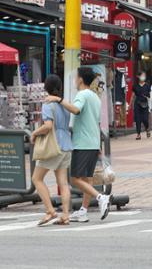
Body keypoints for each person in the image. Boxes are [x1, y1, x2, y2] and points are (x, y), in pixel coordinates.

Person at [46, 67, 112, 222]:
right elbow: (95, 122)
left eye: (76, 77)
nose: (75, 80)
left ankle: (101, 197)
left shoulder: (82, 95)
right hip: (93, 142)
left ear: (81, 79)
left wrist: (58, 100)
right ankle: (83, 211)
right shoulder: (95, 96)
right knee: (87, 178)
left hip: (82, 143)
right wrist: (98, 148)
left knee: (75, 179)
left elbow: (76, 110)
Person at [31, 74, 73, 226]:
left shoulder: (48, 103)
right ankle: (66, 215)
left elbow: (48, 126)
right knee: (63, 182)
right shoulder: (63, 103)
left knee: (36, 178)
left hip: (53, 145)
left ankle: (50, 211)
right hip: (67, 145)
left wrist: (35, 133)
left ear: (46, 88)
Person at [131, 71, 151, 140]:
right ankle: (138, 134)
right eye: (142, 75)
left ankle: (147, 129)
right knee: (138, 119)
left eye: (144, 76)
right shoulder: (135, 85)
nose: (143, 77)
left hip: (145, 104)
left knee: (145, 119)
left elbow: (150, 96)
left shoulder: (147, 85)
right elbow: (133, 95)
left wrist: (148, 98)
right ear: (138, 76)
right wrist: (130, 104)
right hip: (137, 104)